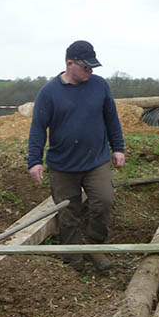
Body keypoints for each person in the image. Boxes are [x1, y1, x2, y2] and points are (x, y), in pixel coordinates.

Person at [27, 40, 125, 272]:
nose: (90, 72)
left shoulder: (100, 86)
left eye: (93, 68)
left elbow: (112, 119)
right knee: (68, 212)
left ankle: (95, 247)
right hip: (63, 165)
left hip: (96, 160)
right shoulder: (49, 93)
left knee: (104, 201)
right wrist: (34, 161)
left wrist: (118, 148)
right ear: (70, 64)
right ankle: (74, 259)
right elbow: (38, 129)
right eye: (86, 68)